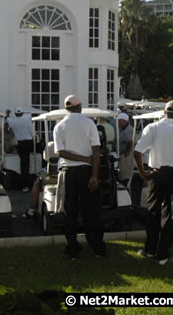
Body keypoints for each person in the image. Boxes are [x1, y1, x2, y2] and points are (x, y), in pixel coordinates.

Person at [134, 100, 173, 265]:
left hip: (156, 173)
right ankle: (162, 253)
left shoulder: (152, 127)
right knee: (170, 213)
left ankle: (151, 249)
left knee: (152, 212)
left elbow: (137, 151)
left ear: (164, 112)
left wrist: (142, 172)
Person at [54, 95, 107, 259]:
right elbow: (96, 151)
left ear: (66, 108)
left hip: (68, 171)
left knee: (69, 212)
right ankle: (98, 247)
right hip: (86, 170)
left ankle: (73, 248)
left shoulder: (60, 126)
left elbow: (60, 152)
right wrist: (94, 175)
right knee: (91, 211)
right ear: (80, 107)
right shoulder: (89, 123)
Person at [6, 107, 34, 192]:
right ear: (22, 113)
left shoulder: (13, 122)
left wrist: (7, 114)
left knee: (23, 164)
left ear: (15, 114)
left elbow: (8, 119)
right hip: (29, 142)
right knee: (27, 163)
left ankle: (25, 185)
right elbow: (32, 132)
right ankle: (28, 184)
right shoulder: (27, 120)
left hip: (21, 144)